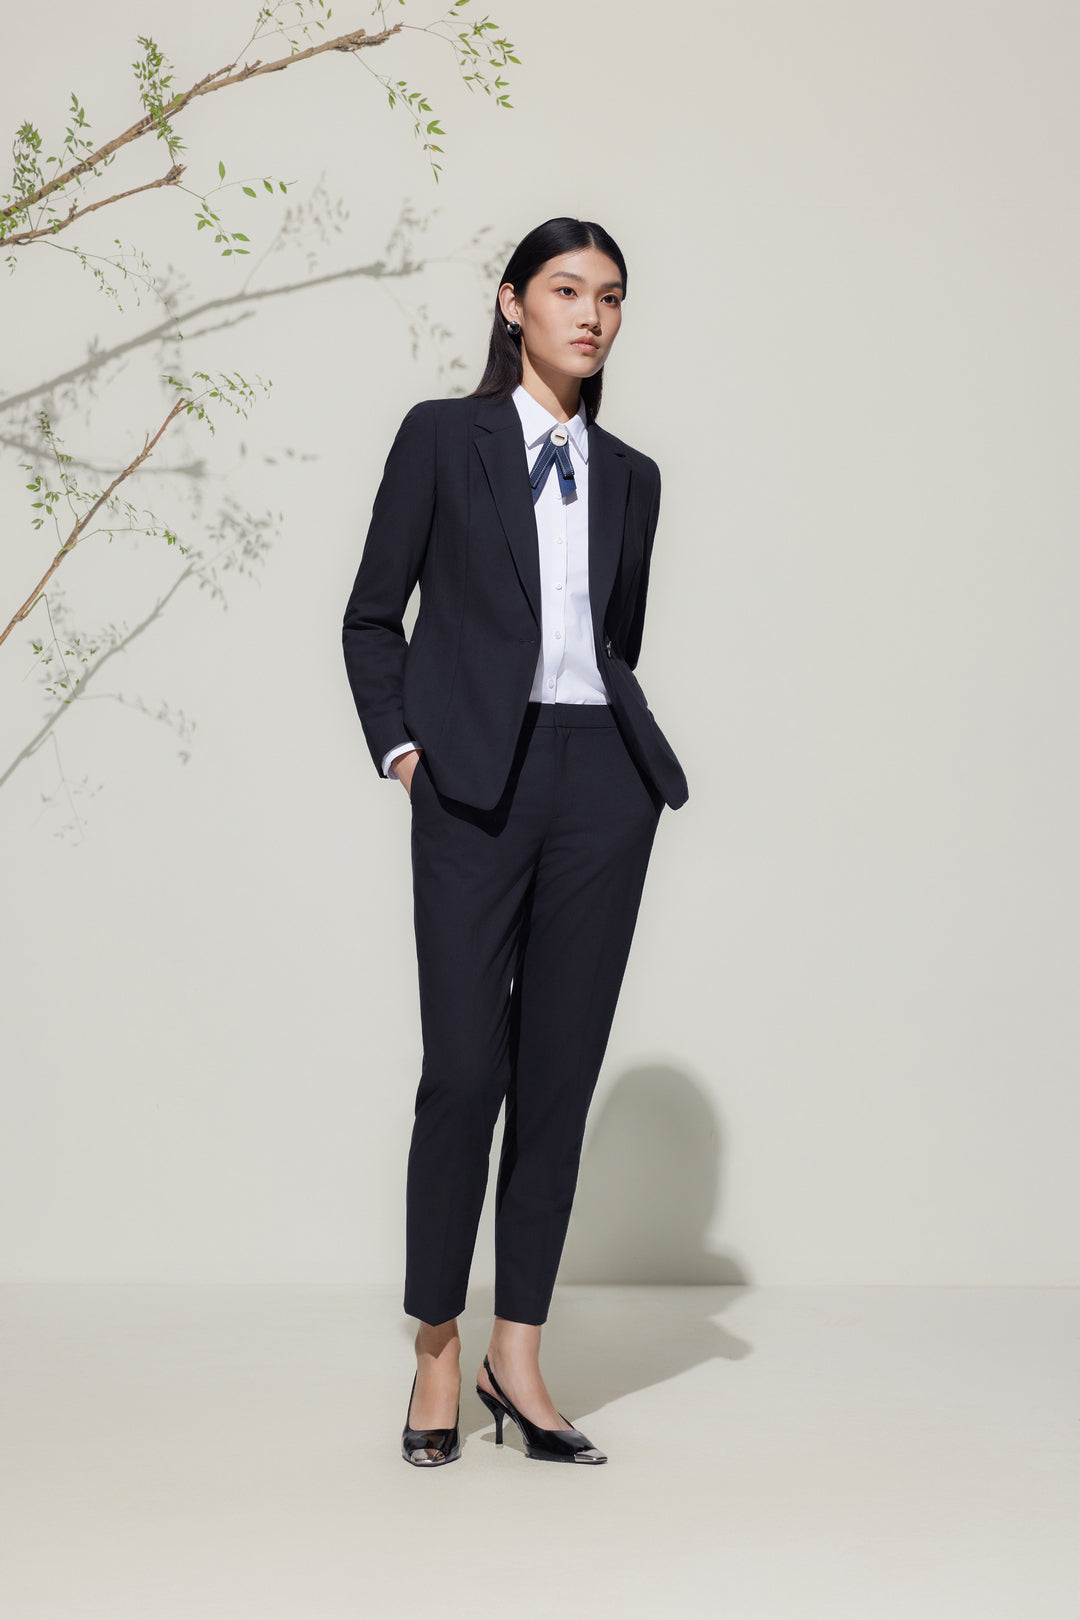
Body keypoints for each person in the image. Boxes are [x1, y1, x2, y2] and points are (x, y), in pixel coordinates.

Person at [341, 216, 689, 1467]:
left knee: (557, 1078)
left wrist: (621, 776)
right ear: (512, 303)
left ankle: (518, 1355)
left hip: (602, 783)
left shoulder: (633, 475)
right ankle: (438, 1346)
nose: (591, 315)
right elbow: (371, 616)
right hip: (473, 783)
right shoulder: (445, 438)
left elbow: (613, 641)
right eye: (566, 289)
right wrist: (406, 751)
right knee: (462, 1072)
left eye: (611, 296)